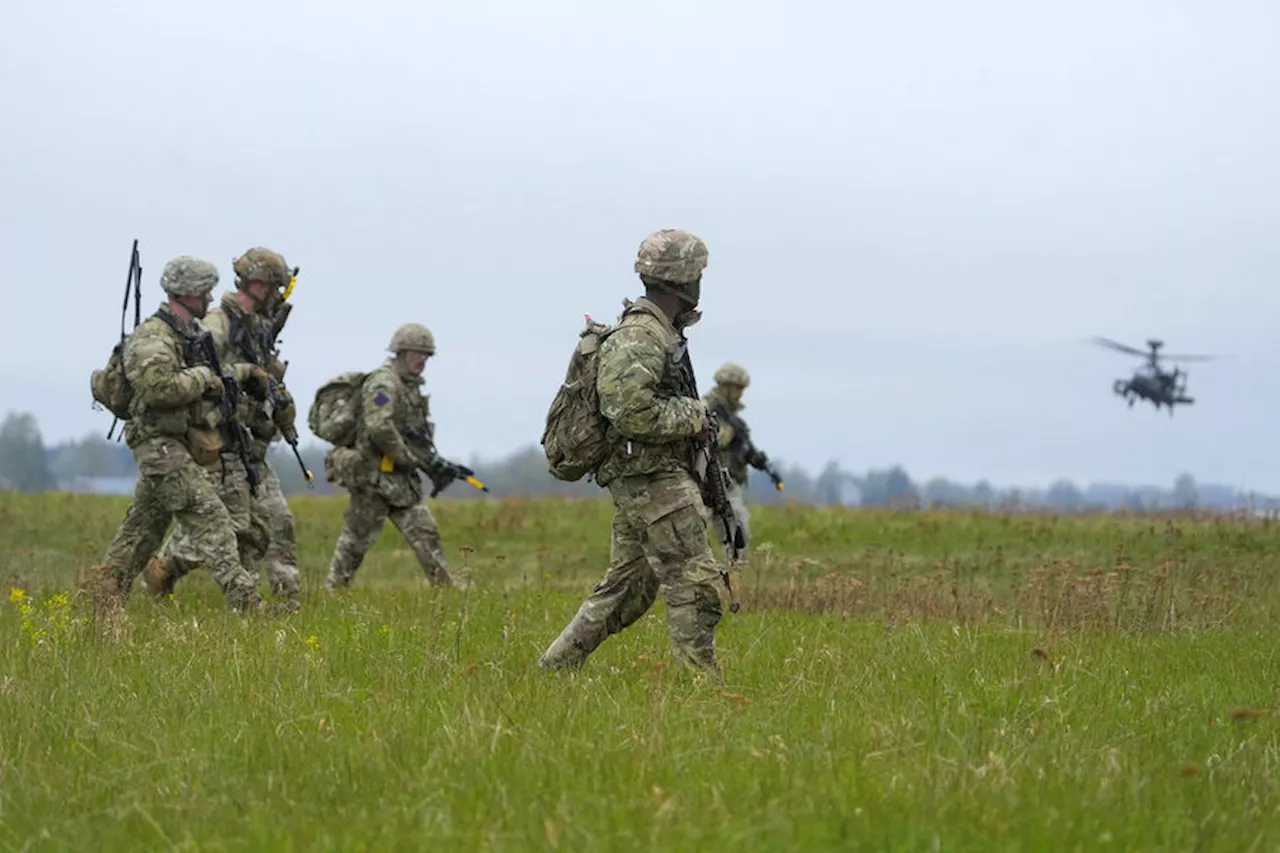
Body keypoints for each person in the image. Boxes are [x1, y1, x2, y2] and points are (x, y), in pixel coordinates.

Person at [538, 228, 729, 677]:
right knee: (695, 584)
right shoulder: (642, 335)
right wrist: (695, 415)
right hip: (652, 481)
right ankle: (704, 692)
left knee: (629, 589)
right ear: (685, 279)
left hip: (645, 478)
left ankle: (553, 670)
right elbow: (628, 411)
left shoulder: (659, 332)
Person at [87, 256, 262, 612]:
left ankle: (100, 603)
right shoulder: (152, 338)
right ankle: (248, 605)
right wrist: (203, 379)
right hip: (159, 447)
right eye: (206, 292)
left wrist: (237, 375)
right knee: (212, 517)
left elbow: (205, 377)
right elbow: (159, 389)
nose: (212, 299)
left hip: (171, 445)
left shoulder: (186, 336)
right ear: (189, 293)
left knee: (142, 532)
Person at [143, 248, 303, 608]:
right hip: (222, 444)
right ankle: (167, 568)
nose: (279, 296)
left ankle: (284, 603)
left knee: (272, 524)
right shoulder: (218, 324)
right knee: (224, 529)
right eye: (276, 288)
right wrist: (243, 380)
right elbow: (198, 374)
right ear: (260, 286)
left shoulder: (256, 327)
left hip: (248, 444)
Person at [321, 323, 460, 589]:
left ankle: (446, 591)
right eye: (416, 353)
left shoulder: (408, 386)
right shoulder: (384, 384)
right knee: (355, 543)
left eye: (426, 355)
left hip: (397, 480)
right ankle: (332, 594)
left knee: (424, 532)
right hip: (372, 478)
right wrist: (406, 457)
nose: (422, 360)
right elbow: (378, 424)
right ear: (401, 352)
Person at [703, 362, 782, 558]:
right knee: (693, 531)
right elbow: (711, 439)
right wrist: (727, 433)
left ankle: (735, 573)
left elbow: (744, 450)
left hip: (728, 482)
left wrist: (755, 458)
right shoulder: (706, 407)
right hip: (705, 481)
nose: (739, 394)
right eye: (737, 389)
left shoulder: (732, 416)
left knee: (737, 531)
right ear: (726, 386)